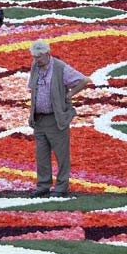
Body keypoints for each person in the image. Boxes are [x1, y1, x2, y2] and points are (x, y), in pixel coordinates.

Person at [28, 40, 89, 198]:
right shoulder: (35, 67)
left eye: (39, 57)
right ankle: (43, 185)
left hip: (56, 119)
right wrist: (31, 114)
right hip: (39, 119)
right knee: (41, 155)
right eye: (34, 57)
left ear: (47, 54)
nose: (36, 61)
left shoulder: (60, 68)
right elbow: (32, 91)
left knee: (61, 155)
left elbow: (82, 80)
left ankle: (61, 187)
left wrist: (69, 94)